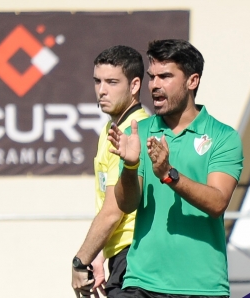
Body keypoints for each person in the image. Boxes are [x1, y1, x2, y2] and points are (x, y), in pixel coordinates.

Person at [107, 39, 244, 297]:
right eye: (152, 77)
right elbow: (127, 204)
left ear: (192, 81)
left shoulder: (223, 136)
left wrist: (170, 175)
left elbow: (217, 202)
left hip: (202, 287)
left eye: (166, 76)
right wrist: (130, 165)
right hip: (141, 282)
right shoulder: (138, 133)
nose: (155, 85)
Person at [71, 45, 149, 298]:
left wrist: (81, 260)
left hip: (136, 256)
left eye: (112, 82)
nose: (102, 90)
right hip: (122, 255)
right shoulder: (111, 129)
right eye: (98, 81)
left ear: (135, 85)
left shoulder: (132, 131)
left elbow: (114, 210)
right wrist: (101, 253)